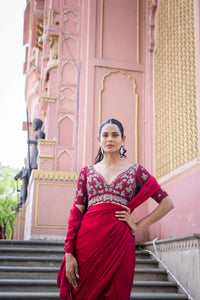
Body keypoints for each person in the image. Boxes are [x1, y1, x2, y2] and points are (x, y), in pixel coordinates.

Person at [57, 118, 174, 300]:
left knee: (118, 293)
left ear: (123, 138)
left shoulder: (136, 171)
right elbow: (76, 213)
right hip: (87, 242)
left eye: (115, 135)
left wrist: (137, 225)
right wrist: (69, 251)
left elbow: (167, 203)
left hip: (120, 241)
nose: (109, 139)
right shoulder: (86, 172)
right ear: (99, 139)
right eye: (105, 135)